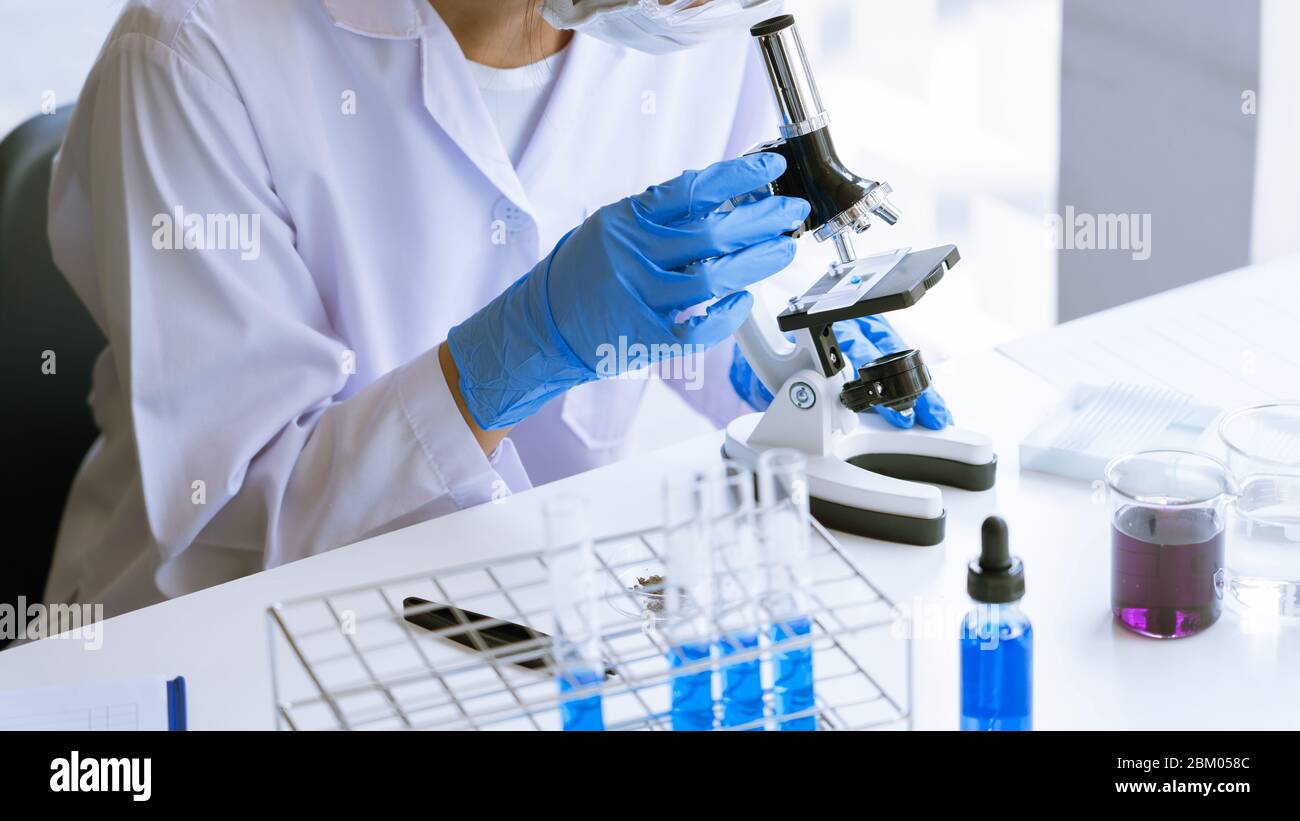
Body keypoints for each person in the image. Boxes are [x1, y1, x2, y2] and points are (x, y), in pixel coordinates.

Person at [45, 0, 947, 617]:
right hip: (207, 642)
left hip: (528, 604)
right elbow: (239, 527)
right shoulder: (189, 53)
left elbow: (691, 280)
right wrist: (513, 356)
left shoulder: (692, 25)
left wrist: (774, 354)